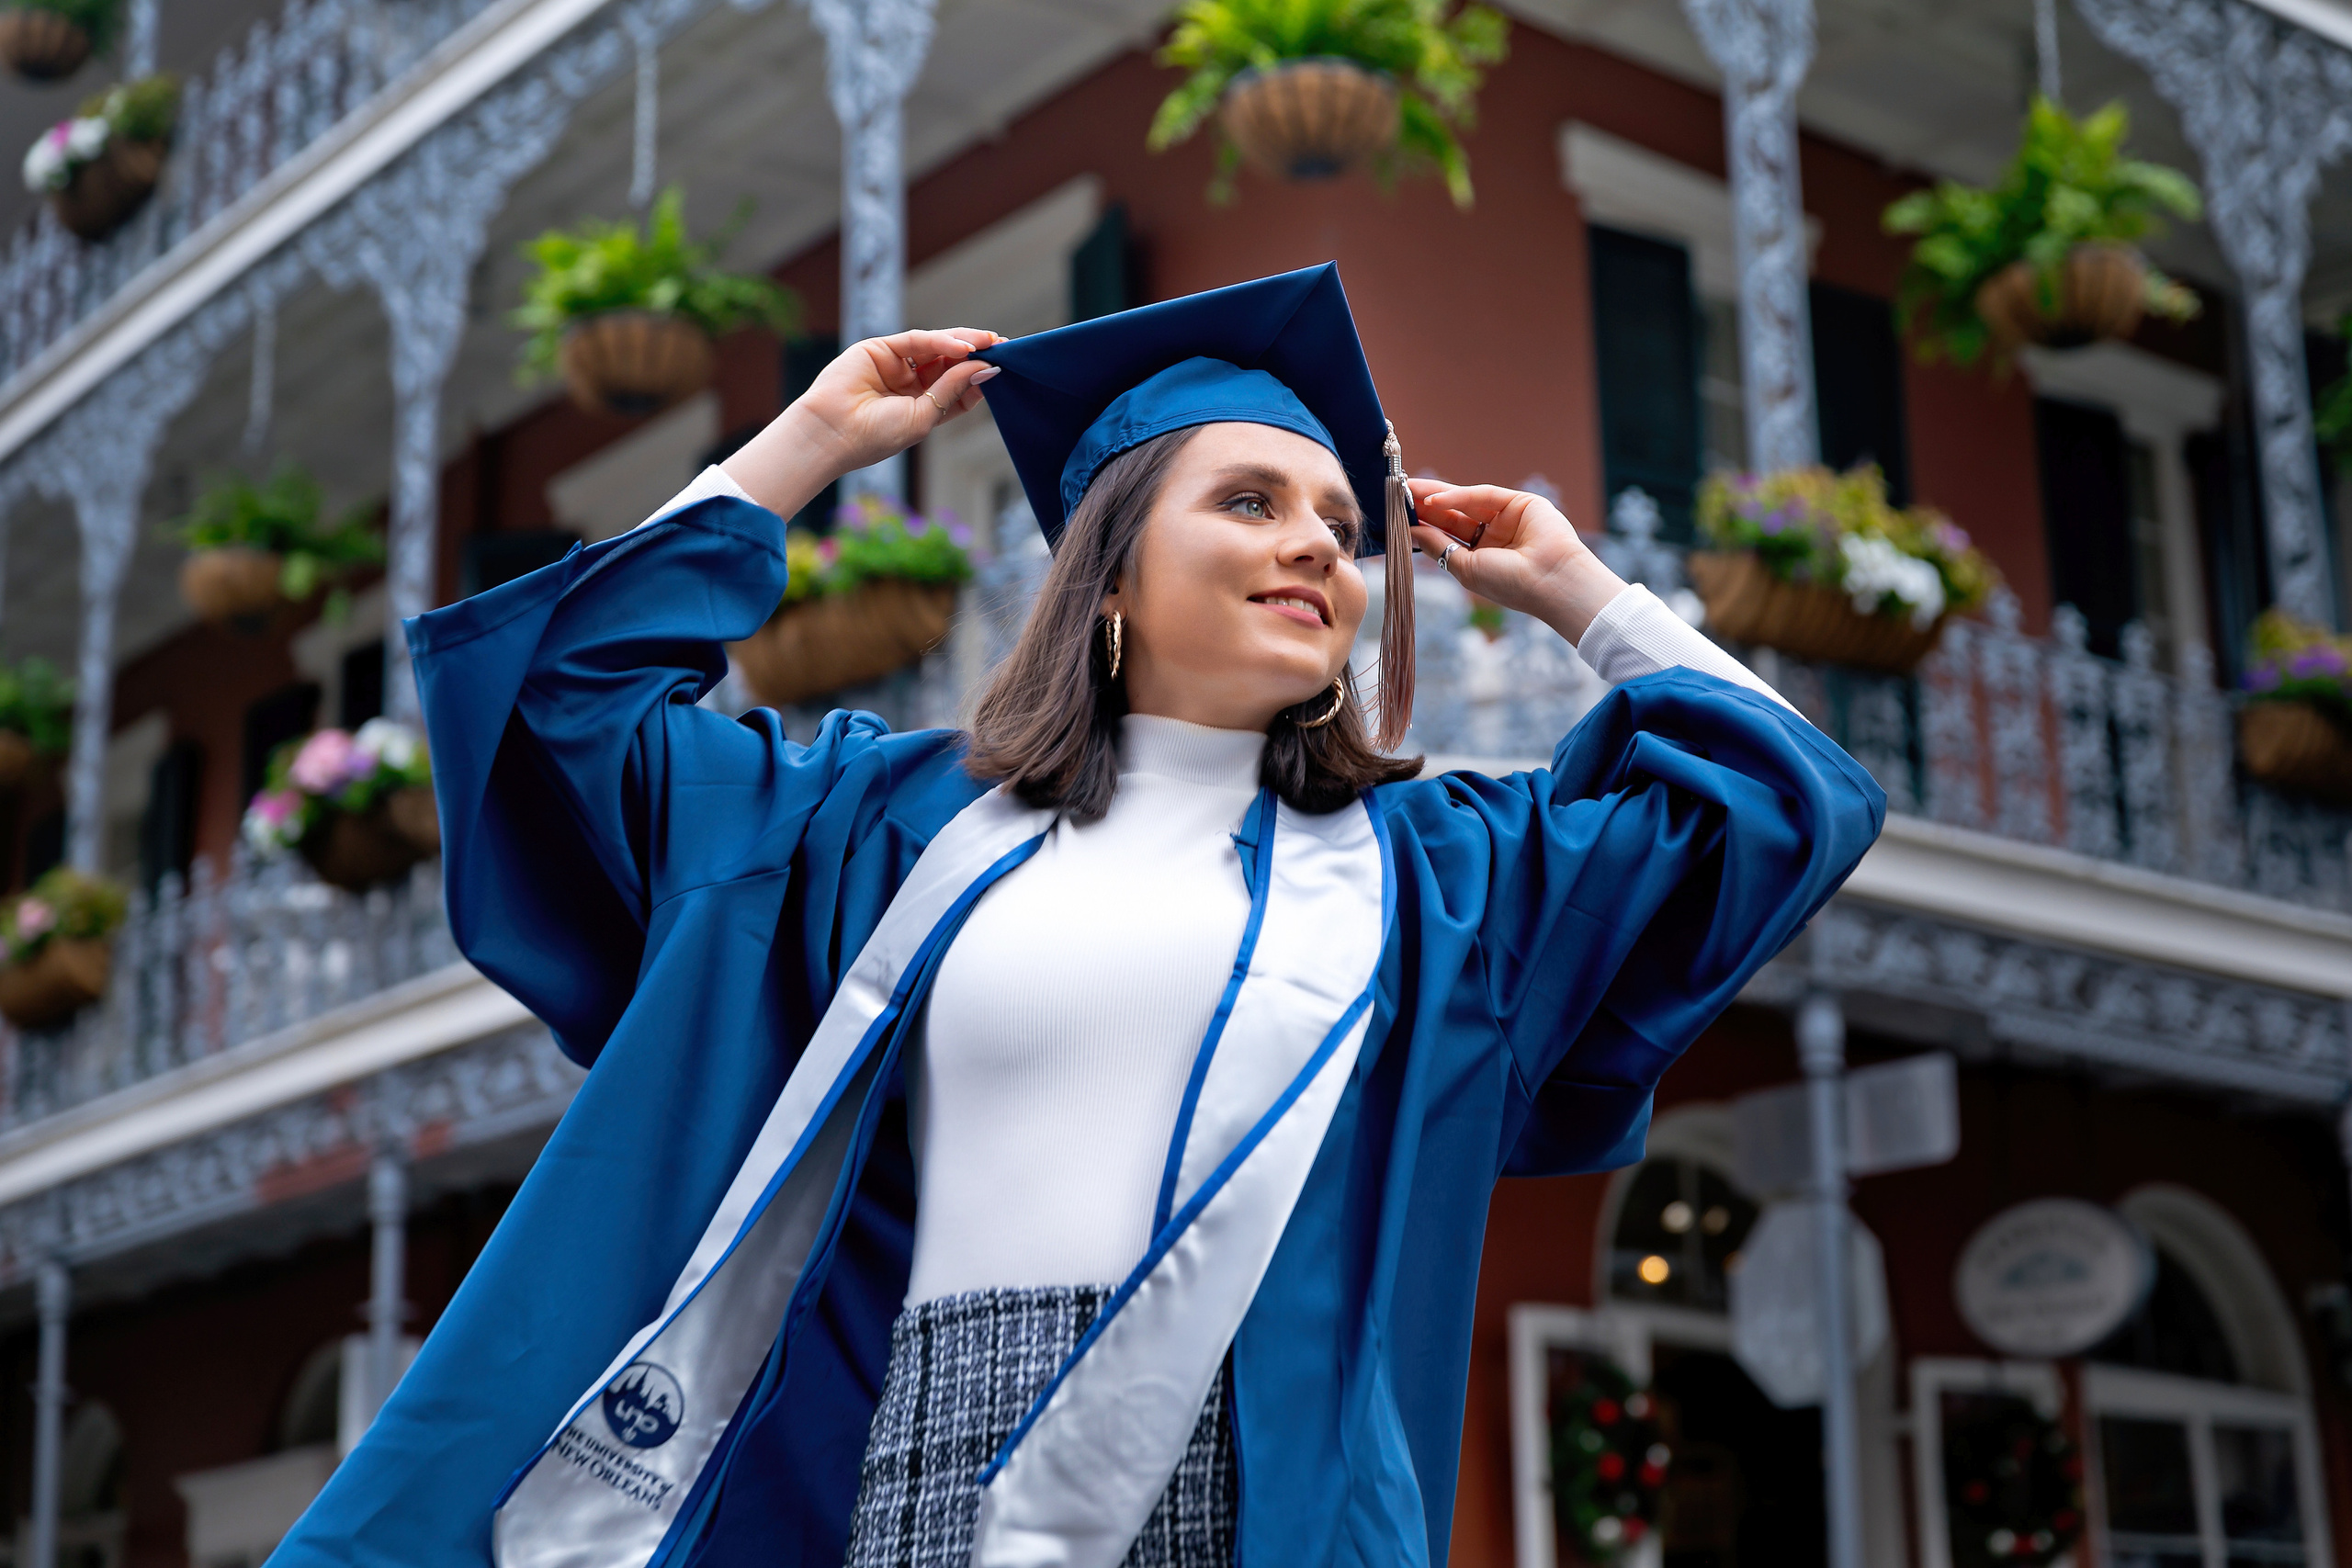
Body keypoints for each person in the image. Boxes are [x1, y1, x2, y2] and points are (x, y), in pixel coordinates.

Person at [266, 265, 1883, 1568]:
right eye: (1248, 501)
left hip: (1264, 1492)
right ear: (1107, 573)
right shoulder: (874, 831)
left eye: (1338, 524)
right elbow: (561, 708)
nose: (1315, 545)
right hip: (916, 1471)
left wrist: (1581, 592)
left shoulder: (1444, 878)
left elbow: (1784, 799)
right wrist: (801, 448)